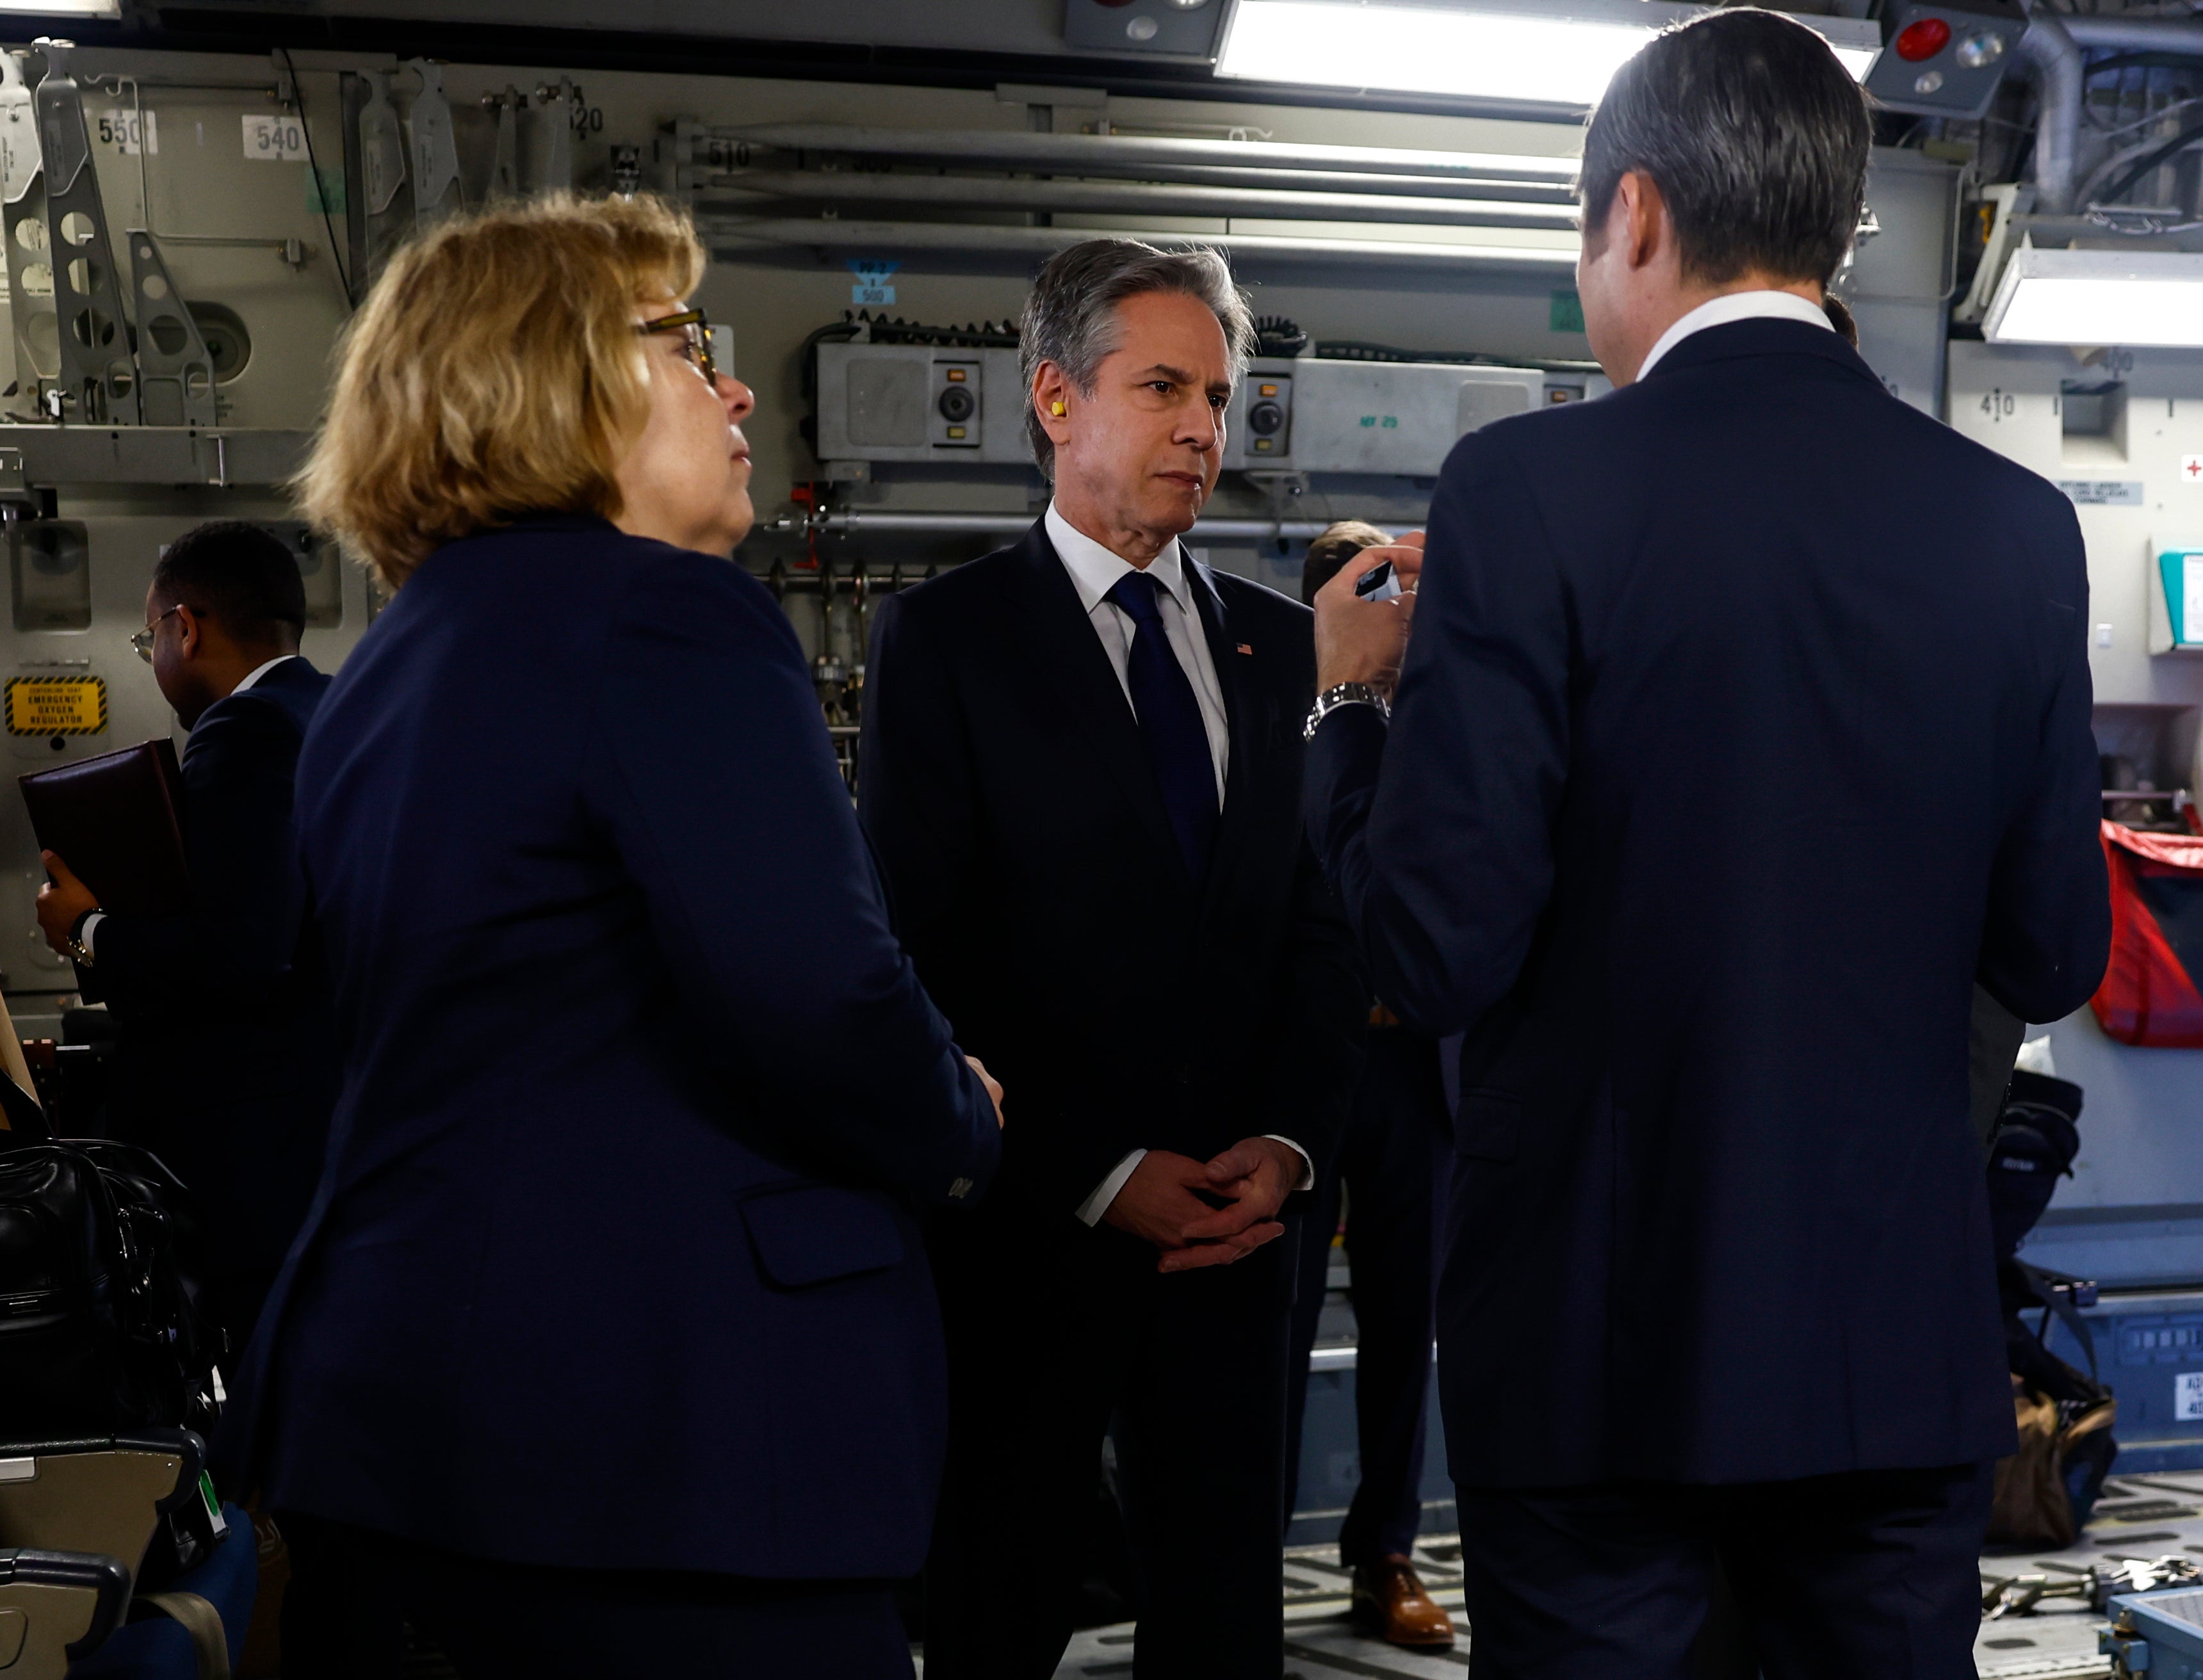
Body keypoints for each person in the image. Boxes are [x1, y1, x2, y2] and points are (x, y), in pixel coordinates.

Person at [1301, 12, 2114, 1677]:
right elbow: (2053, 951)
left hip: (1605, 1364)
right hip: (1893, 1360)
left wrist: (1349, 724)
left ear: (1640, 218)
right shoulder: (2013, 527)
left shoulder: (1529, 495)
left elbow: (1435, 945)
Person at [236, 194, 1004, 1679]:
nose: (732, 387)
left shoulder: (393, 661)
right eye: (684, 342)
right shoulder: (666, 620)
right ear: (549, 378)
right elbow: (822, 992)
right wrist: (960, 1117)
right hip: (656, 1457)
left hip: (404, 1436)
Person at [856, 237, 1365, 1680]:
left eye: (1219, 394)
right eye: (1164, 387)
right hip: (1033, 1239)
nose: (1208, 427)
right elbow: (921, 947)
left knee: (1222, 1623)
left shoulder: (1272, 646)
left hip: (1238, 1237)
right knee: (1001, 1607)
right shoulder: (946, 642)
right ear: (1057, 401)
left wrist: (1283, 1140)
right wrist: (1096, 1169)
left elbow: (1313, 929)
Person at [34, 521, 336, 1355]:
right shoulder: (338, 709)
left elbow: (246, 950)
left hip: (252, 1160)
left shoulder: (245, 735)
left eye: (147, 636)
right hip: (328, 1128)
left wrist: (89, 930)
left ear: (184, 627)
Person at [1281, 521, 1455, 1650]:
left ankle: (1383, 1554)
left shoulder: (1445, 721)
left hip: (1415, 1072)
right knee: (1272, 1323)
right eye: (1367, 586)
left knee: (1408, 1324)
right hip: (1303, 1065)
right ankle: (1233, 1552)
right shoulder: (1283, 720)